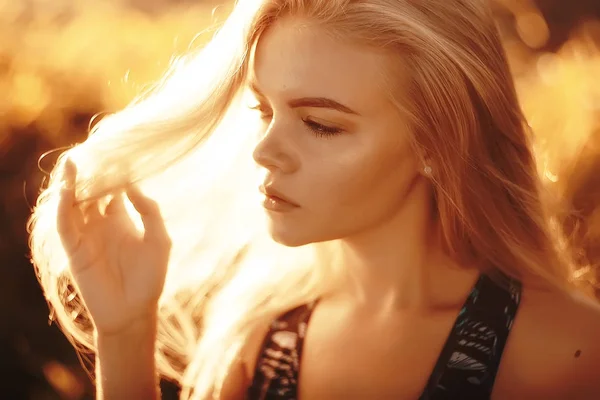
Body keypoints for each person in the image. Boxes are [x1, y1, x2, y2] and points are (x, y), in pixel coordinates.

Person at [28, 0, 600, 399]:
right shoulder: (258, 337)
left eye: (321, 124)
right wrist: (125, 335)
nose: (265, 151)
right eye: (263, 110)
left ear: (437, 141)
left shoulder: (570, 356)